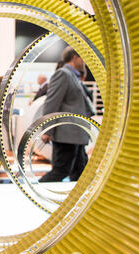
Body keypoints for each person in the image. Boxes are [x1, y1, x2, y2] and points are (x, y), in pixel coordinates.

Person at [39, 46, 95, 182]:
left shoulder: (74, 77)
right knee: (61, 171)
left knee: (80, 173)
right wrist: (47, 130)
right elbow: (52, 103)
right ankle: (33, 198)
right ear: (75, 57)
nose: (85, 62)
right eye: (83, 58)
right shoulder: (63, 74)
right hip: (67, 136)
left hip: (77, 135)